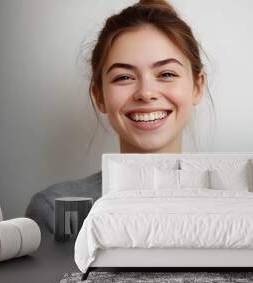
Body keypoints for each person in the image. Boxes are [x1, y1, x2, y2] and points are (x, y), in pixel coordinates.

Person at [25, 0, 213, 234]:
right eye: (123, 77)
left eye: (166, 74)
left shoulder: (244, 204)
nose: (146, 93)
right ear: (99, 95)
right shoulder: (55, 209)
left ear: (197, 86)